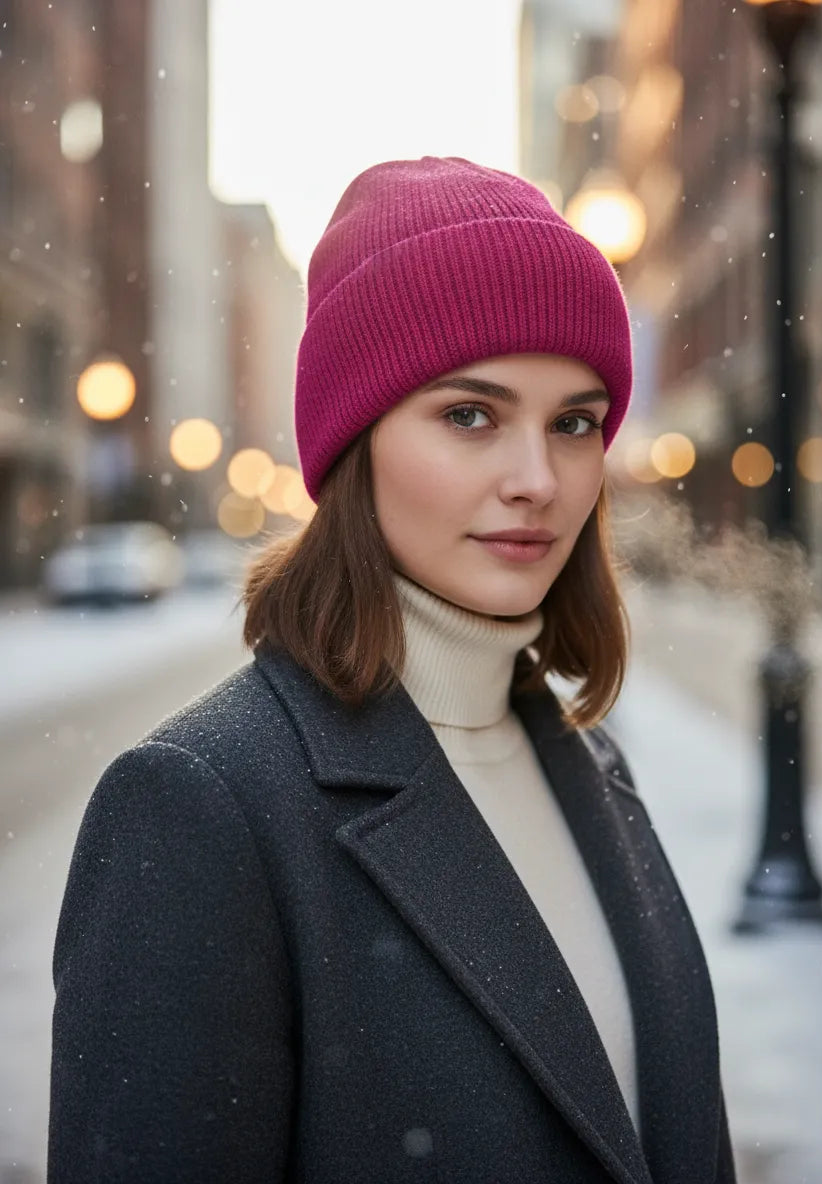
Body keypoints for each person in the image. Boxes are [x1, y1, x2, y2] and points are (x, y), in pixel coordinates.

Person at [49, 156, 736, 1183]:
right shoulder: (201, 807)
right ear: (354, 443)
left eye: (575, 421)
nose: (537, 479)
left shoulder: (587, 765)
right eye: (470, 414)